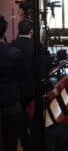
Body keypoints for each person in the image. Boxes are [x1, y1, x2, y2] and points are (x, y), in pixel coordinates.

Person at [0, 15, 29, 151]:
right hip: (11, 104)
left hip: (10, 104)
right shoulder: (14, 53)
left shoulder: (14, 50)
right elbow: (22, 78)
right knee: (11, 142)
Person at [11, 19, 49, 111]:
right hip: (33, 88)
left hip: (15, 90)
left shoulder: (11, 46)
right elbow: (44, 68)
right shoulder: (37, 46)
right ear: (31, 30)